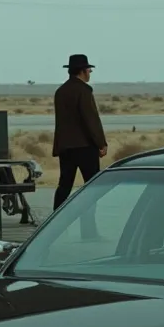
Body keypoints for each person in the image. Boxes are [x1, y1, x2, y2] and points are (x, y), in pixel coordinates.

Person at [52, 53, 108, 212]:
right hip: (85, 146)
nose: (89, 73)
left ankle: (54, 221)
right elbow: (90, 119)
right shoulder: (83, 91)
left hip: (66, 147)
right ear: (82, 71)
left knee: (64, 185)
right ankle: (88, 226)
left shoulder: (61, 91)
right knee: (91, 187)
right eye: (89, 70)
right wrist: (101, 143)